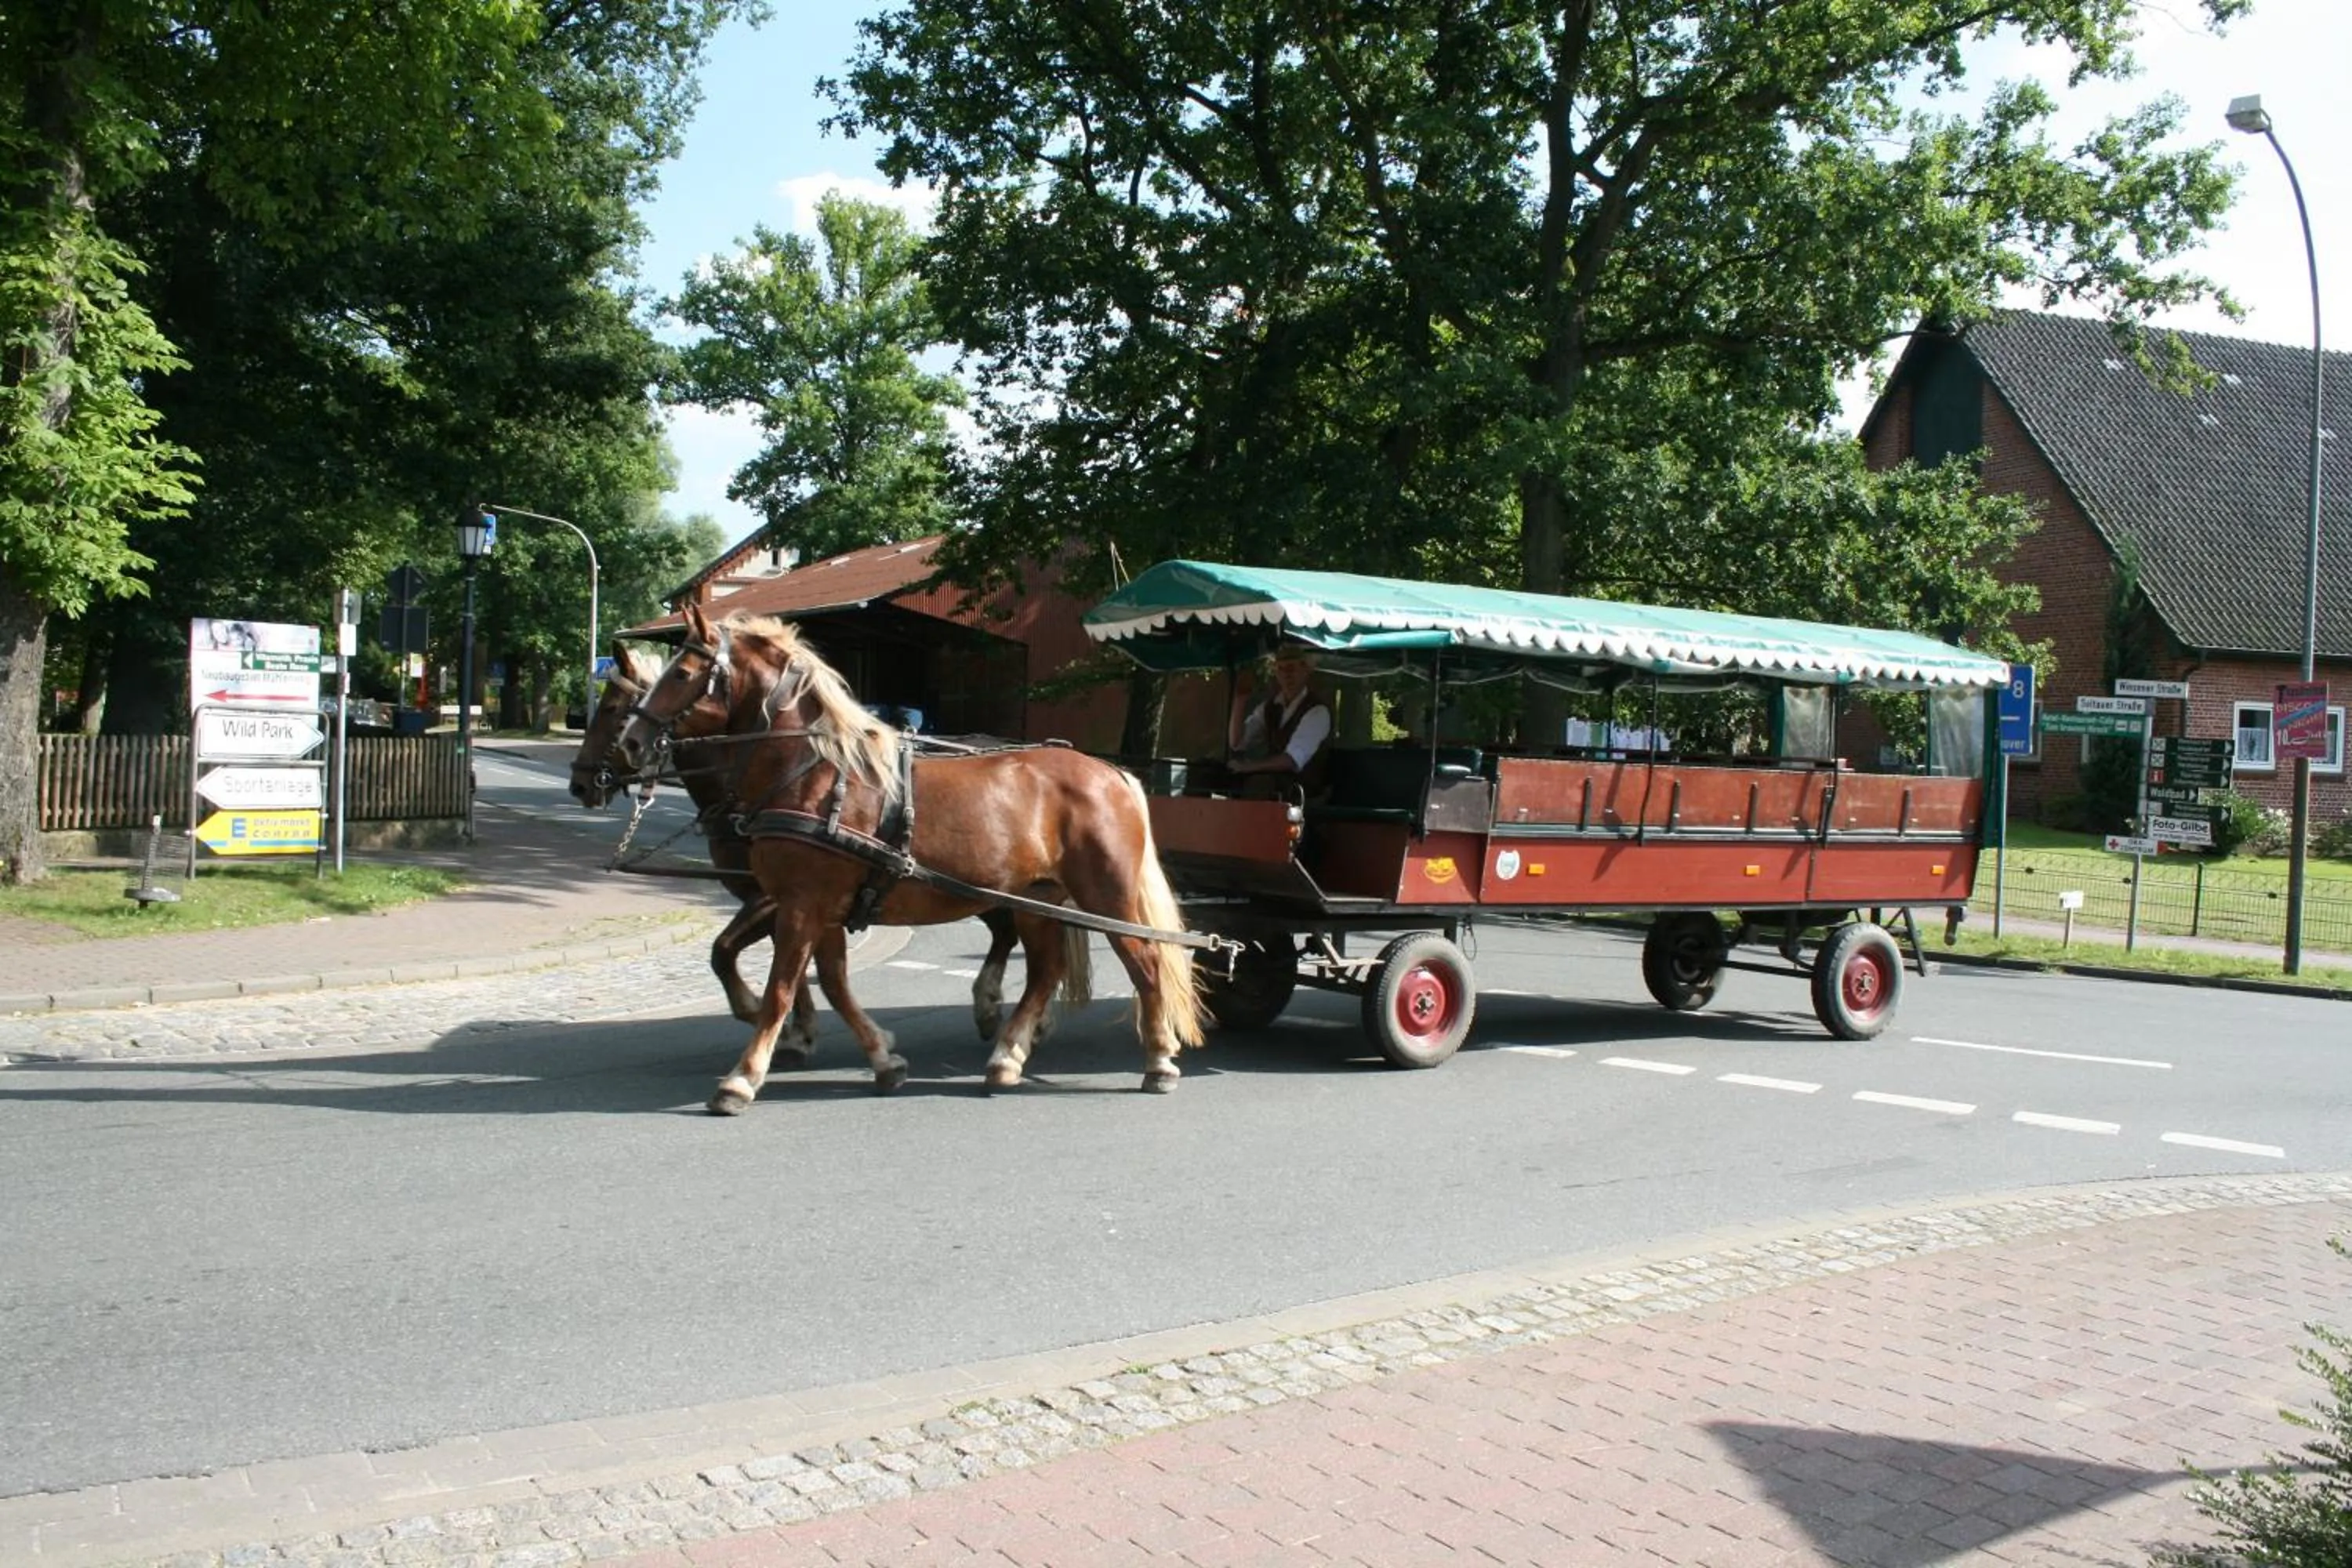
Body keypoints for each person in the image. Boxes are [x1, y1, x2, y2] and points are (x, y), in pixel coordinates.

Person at [1225, 646, 1332, 798]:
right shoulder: (1270, 708)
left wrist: (1249, 767)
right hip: (1274, 788)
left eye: (1291, 668)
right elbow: (1237, 743)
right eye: (1281, 669)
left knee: (1260, 784)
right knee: (1208, 776)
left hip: (1304, 796)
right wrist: (1240, 699)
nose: (1287, 675)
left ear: (1305, 670)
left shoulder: (1317, 711)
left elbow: (1292, 760)